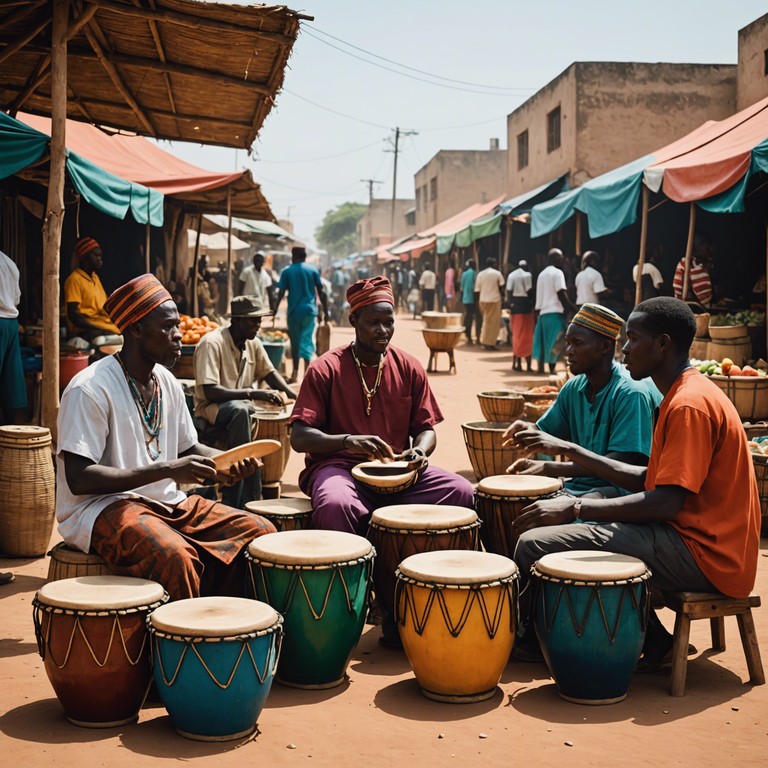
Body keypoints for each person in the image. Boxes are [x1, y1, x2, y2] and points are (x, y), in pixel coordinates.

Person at [508, 297, 760, 666]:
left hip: (704, 554)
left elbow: (665, 502)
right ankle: (656, 642)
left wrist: (577, 507)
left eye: (632, 338)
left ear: (663, 344)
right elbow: (649, 478)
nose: (624, 348)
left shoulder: (687, 403)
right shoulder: (681, 393)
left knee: (533, 545)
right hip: (696, 542)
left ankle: (532, 641)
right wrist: (563, 464)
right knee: (574, 528)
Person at [55, 274, 276, 601]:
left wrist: (228, 463)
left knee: (259, 533)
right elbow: (79, 478)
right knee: (176, 557)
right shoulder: (90, 388)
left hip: (166, 502)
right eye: (168, 327)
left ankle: (227, 631)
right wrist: (169, 470)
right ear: (135, 329)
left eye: (177, 327)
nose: (178, 336)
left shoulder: (167, 382)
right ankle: (186, 646)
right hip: (102, 508)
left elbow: (189, 447)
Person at [289, 275, 474, 536]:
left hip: (397, 472)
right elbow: (299, 437)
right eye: (373, 323)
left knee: (461, 491)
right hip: (341, 470)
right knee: (335, 504)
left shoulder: (409, 366)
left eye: (388, 323)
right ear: (354, 321)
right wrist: (347, 441)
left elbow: (426, 429)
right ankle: (354, 571)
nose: (383, 331)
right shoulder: (325, 368)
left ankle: (410, 563)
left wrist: (420, 451)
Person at [504, 304, 661, 497]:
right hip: (580, 487)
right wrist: (528, 429)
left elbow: (619, 465)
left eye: (577, 343)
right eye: (568, 342)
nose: (569, 351)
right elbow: (546, 431)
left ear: (605, 346)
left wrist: (549, 468)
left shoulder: (630, 393)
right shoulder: (574, 387)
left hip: (622, 493)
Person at [193, 295, 297, 508]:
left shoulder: (254, 344)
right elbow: (210, 391)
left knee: (247, 412)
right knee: (243, 410)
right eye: (253, 321)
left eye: (259, 320)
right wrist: (252, 393)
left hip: (242, 410)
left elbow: (270, 373)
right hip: (211, 410)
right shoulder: (212, 343)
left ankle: (250, 497)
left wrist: (296, 395)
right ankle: (237, 498)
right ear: (237, 320)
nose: (258, 325)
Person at [275, 246, 329, 383]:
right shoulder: (313, 270)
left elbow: (280, 292)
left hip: (294, 312)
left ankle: (294, 374)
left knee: (295, 342)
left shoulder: (287, 271)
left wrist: (274, 309)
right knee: (307, 341)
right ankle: (306, 374)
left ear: (293, 256)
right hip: (310, 311)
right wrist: (326, 312)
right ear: (305, 257)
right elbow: (321, 292)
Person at [63, 237, 120, 341]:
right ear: (83, 258)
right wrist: (98, 328)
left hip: (104, 324)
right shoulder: (74, 280)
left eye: (100, 256)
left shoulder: (95, 278)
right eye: (95, 255)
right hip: (86, 329)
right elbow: (73, 315)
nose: (99, 259)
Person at [532, 248, 577, 374]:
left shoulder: (542, 274)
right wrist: (571, 307)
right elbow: (561, 293)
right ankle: (552, 370)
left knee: (543, 341)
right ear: (554, 259)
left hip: (543, 313)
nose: (562, 260)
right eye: (560, 258)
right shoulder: (558, 273)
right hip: (554, 312)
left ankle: (541, 367)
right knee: (557, 341)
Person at [0, 250, 28, 425]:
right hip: (11, 322)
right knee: (12, 380)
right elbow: (16, 298)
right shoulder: (8, 262)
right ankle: (14, 433)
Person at [506, 259, 534, 371]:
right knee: (527, 334)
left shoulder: (511, 275)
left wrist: (510, 304)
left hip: (515, 305)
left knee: (516, 333)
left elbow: (508, 291)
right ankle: (528, 365)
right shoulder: (527, 275)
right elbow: (529, 290)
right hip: (525, 305)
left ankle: (516, 363)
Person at [673, 233, 714, 306]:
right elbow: (678, 292)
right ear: (697, 247)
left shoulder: (706, 265)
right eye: (707, 245)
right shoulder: (685, 265)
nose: (711, 249)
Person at [475, 257, 505, 350]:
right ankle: (489, 342)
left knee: (486, 321)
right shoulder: (497, 273)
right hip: (494, 300)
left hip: (483, 300)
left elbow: (477, 290)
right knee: (493, 323)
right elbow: (502, 285)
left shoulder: (480, 274)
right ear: (494, 264)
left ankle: (484, 341)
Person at [459, 258, 479, 344]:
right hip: (472, 298)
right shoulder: (473, 273)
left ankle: (466, 331)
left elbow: (462, 286)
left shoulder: (464, 273)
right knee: (471, 316)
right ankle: (468, 334)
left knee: (468, 314)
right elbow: (472, 287)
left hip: (465, 298)